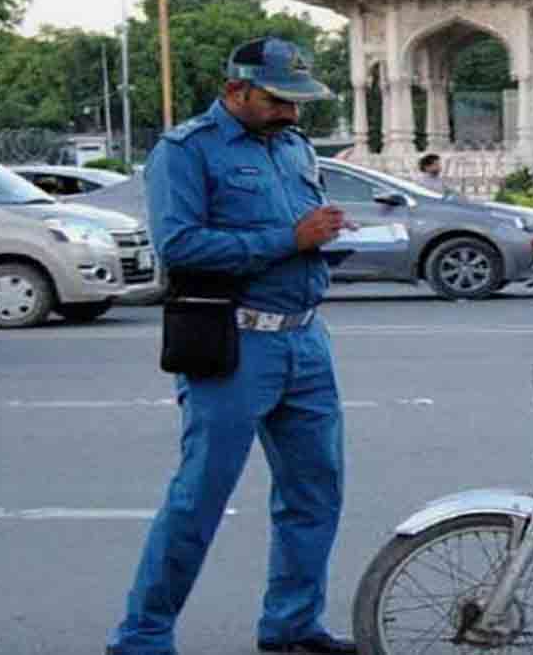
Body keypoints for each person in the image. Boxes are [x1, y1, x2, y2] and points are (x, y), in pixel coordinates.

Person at [106, 37, 356, 655]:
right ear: (235, 91)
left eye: (299, 103)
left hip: (305, 341)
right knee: (198, 499)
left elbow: (299, 230)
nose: (293, 114)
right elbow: (180, 245)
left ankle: (292, 626)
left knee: (314, 495)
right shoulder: (187, 150)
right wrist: (289, 238)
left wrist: (320, 238)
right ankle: (141, 637)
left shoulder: (293, 146)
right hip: (235, 345)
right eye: (277, 101)